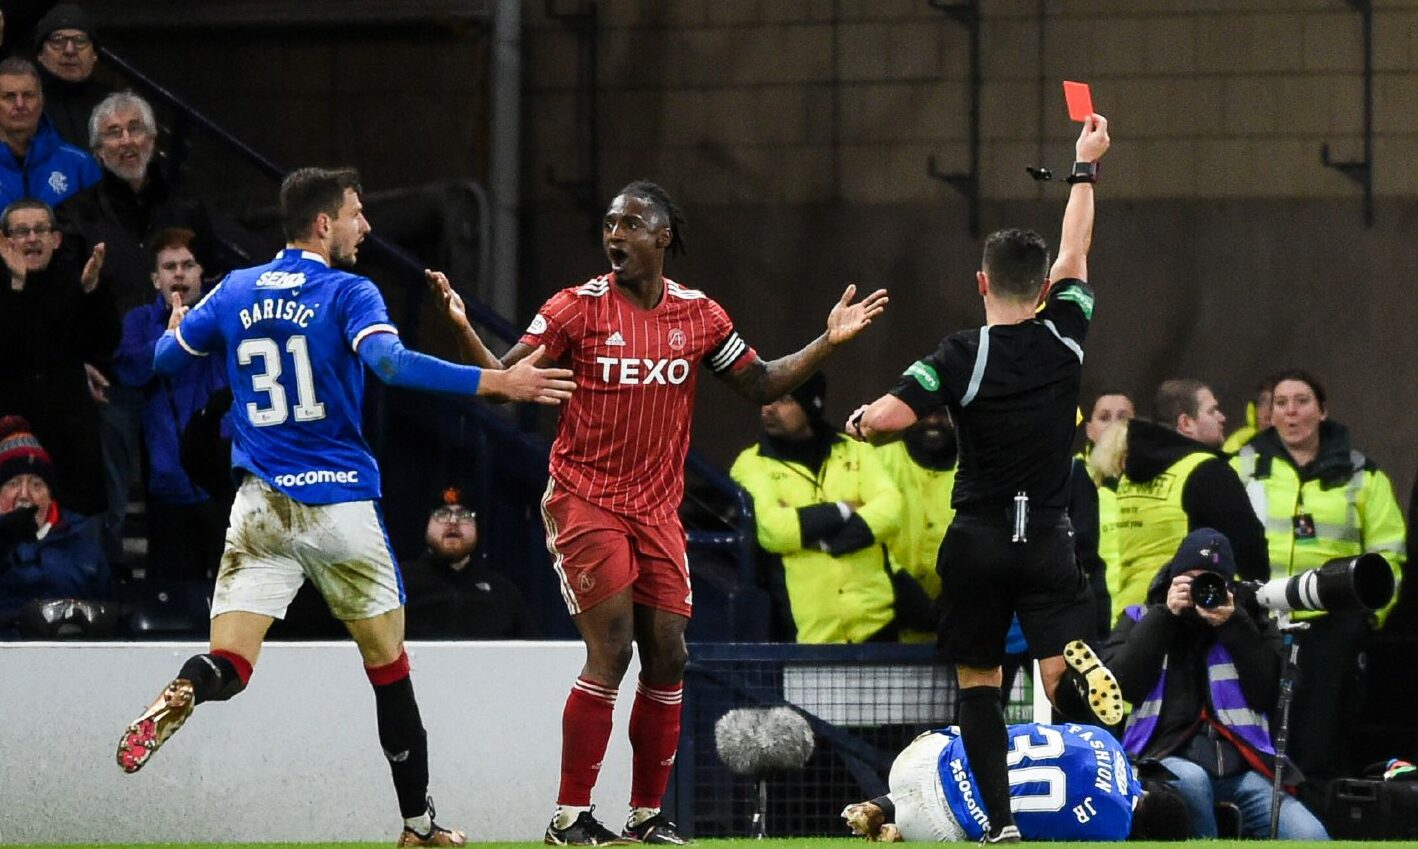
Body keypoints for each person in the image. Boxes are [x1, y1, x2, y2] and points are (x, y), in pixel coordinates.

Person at [112, 166, 575, 847]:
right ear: (324, 223)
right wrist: (495, 378)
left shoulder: (235, 289)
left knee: (232, 664)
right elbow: (389, 365)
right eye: (358, 214)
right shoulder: (347, 290)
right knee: (389, 666)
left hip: (260, 507)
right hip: (338, 505)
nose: (366, 227)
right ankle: (419, 827)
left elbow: (159, 361)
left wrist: (177, 325)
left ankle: (188, 684)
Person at [428, 180, 888, 845]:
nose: (615, 234)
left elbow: (759, 380)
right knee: (611, 647)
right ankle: (570, 817)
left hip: (657, 509)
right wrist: (466, 330)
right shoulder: (574, 309)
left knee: (668, 655)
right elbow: (504, 385)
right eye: (609, 224)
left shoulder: (699, 315)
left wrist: (827, 341)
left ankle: (645, 815)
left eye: (631, 224)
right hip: (585, 497)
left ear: (662, 236)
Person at [848, 115, 1119, 845]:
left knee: (980, 686)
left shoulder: (962, 354)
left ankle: (1001, 823)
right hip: (1049, 542)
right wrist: (1084, 164)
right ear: (1041, 289)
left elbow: (892, 418)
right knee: (1062, 678)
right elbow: (1077, 247)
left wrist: (862, 417)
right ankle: (1112, 781)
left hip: (978, 540)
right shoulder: (1066, 333)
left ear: (981, 283)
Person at [61, 90, 221, 558]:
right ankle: (110, 605)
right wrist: (77, 361)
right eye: (113, 133)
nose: (126, 141)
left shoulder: (187, 208)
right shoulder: (75, 214)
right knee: (111, 504)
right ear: (96, 150)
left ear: (154, 139)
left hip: (183, 378)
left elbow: (211, 285)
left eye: (135, 129)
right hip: (112, 381)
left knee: (191, 497)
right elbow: (62, 301)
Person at [1230, 369, 1406, 782]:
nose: (1291, 413)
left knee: (1323, 734)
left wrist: (1369, 615)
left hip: (1334, 622)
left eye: (1302, 401)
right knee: (1260, 728)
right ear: (1268, 414)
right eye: (1281, 403)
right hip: (1261, 618)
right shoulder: (1242, 468)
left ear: (1322, 411)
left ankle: (1317, 819)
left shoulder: (1362, 473)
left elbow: (1389, 554)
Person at [1100, 528, 1331, 839]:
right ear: (1173, 580)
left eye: (1211, 581)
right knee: (1192, 781)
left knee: (1309, 835)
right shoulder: (1142, 618)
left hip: (1243, 767)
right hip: (1166, 760)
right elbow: (1123, 685)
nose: (1200, 591)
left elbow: (1268, 696)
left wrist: (1234, 625)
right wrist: (1164, 616)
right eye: (1190, 580)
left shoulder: (1254, 621)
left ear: (1229, 586)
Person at [730, 372, 903, 643]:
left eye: (784, 399)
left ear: (811, 404)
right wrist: (845, 509)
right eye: (765, 399)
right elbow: (775, 530)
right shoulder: (750, 464)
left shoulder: (855, 449)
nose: (769, 408)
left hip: (876, 626)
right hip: (806, 635)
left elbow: (891, 508)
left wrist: (817, 538)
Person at [840, 722, 1188, 842]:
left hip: (921, 756)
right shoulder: (1112, 830)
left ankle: (879, 805)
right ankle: (900, 831)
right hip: (938, 828)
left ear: (1148, 788)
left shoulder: (1105, 739)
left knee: (987, 741)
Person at [111, 227, 227, 580]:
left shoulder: (224, 314)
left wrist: (196, 329)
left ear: (200, 273)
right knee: (176, 605)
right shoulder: (139, 322)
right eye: (169, 266)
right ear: (155, 279)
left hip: (227, 482)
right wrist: (169, 340)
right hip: (169, 485)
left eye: (187, 264)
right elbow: (128, 370)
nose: (178, 273)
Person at [1096, 379, 1268, 615]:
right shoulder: (1206, 471)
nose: (1222, 417)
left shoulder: (1129, 476)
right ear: (1186, 423)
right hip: (1188, 614)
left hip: (1132, 615)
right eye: (1212, 410)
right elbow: (1250, 549)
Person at [0, 197, 111, 515]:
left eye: (40, 230)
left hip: (70, 438)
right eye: (21, 232)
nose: (32, 238)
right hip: (12, 431)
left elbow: (102, 342)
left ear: (56, 239)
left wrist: (91, 293)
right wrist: (18, 285)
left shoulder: (75, 282)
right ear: (4, 241)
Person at [0, 416, 109, 639]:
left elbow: (109, 612)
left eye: (36, 484)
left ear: (50, 496)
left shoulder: (81, 542)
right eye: (13, 484)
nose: (24, 495)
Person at [402, 487, 538, 640]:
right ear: (426, 525)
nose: (453, 521)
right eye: (441, 514)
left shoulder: (503, 592)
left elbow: (531, 654)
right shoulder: (400, 584)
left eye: (464, 515)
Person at [876, 409, 956, 643]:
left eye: (943, 413)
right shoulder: (876, 461)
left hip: (955, 633)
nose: (932, 420)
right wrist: (904, 593)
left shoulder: (977, 472)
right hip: (883, 627)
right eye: (923, 412)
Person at [0, 57, 99, 207]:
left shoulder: (79, 164)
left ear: (41, 102)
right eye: (9, 96)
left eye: (28, 95)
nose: (20, 105)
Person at [32, 3, 109, 148]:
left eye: (80, 41)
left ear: (94, 55)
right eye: (57, 40)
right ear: (40, 54)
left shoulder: (110, 104)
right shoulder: (24, 103)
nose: (69, 50)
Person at [1081, 391, 1133, 606]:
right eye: (1104, 417)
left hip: (1140, 612)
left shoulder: (1155, 480)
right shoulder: (1072, 480)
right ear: (1089, 429)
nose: (1114, 425)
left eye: (1123, 418)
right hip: (1093, 609)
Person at [1221, 375, 1277, 454]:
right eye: (1263, 402)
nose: (1269, 408)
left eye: (1278, 402)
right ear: (1253, 410)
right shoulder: (1239, 444)